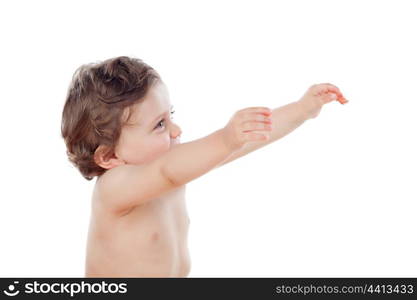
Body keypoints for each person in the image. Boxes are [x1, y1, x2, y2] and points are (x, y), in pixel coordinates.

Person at [61, 56, 348, 277]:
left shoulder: (174, 164)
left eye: (170, 115)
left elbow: (244, 143)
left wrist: (301, 109)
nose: (176, 130)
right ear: (109, 157)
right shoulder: (115, 187)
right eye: (160, 124)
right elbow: (168, 171)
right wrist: (226, 138)